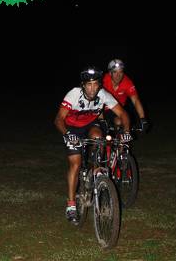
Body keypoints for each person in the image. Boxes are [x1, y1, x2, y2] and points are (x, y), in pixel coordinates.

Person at [54, 66, 131, 224]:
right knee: (75, 164)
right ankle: (71, 204)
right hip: (72, 128)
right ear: (83, 85)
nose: (92, 89)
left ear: (99, 85)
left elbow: (122, 114)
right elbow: (58, 119)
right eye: (89, 84)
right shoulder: (74, 94)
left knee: (98, 137)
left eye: (95, 84)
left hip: (90, 126)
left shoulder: (103, 95)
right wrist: (67, 135)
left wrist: (127, 131)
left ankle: (95, 170)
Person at [102, 58, 149, 132]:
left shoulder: (127, 82)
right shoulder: (103, 80)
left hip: (117, 110)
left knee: (120, 122)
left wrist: (142, 119)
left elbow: (135, 100)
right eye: (115, 72)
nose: (118, 75)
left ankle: (121, 142)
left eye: (121, 72)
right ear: (110, 73)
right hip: (101, 109)